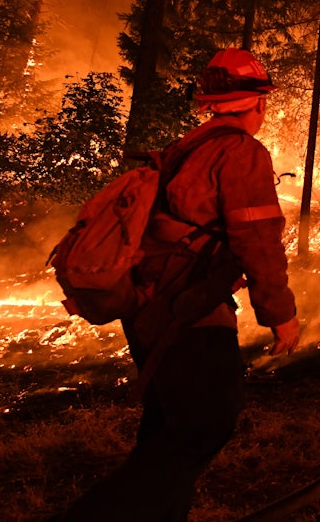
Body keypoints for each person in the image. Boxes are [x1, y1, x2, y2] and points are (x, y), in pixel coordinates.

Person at [55, 48, 300, 521]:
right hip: (186, 311)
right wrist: (281, 316)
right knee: (203, 427)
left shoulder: (188, 147)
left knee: (167, 429)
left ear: (210, 102)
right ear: (259, 104)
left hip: (149, 306)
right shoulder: (241, 152)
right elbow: (259, 242)